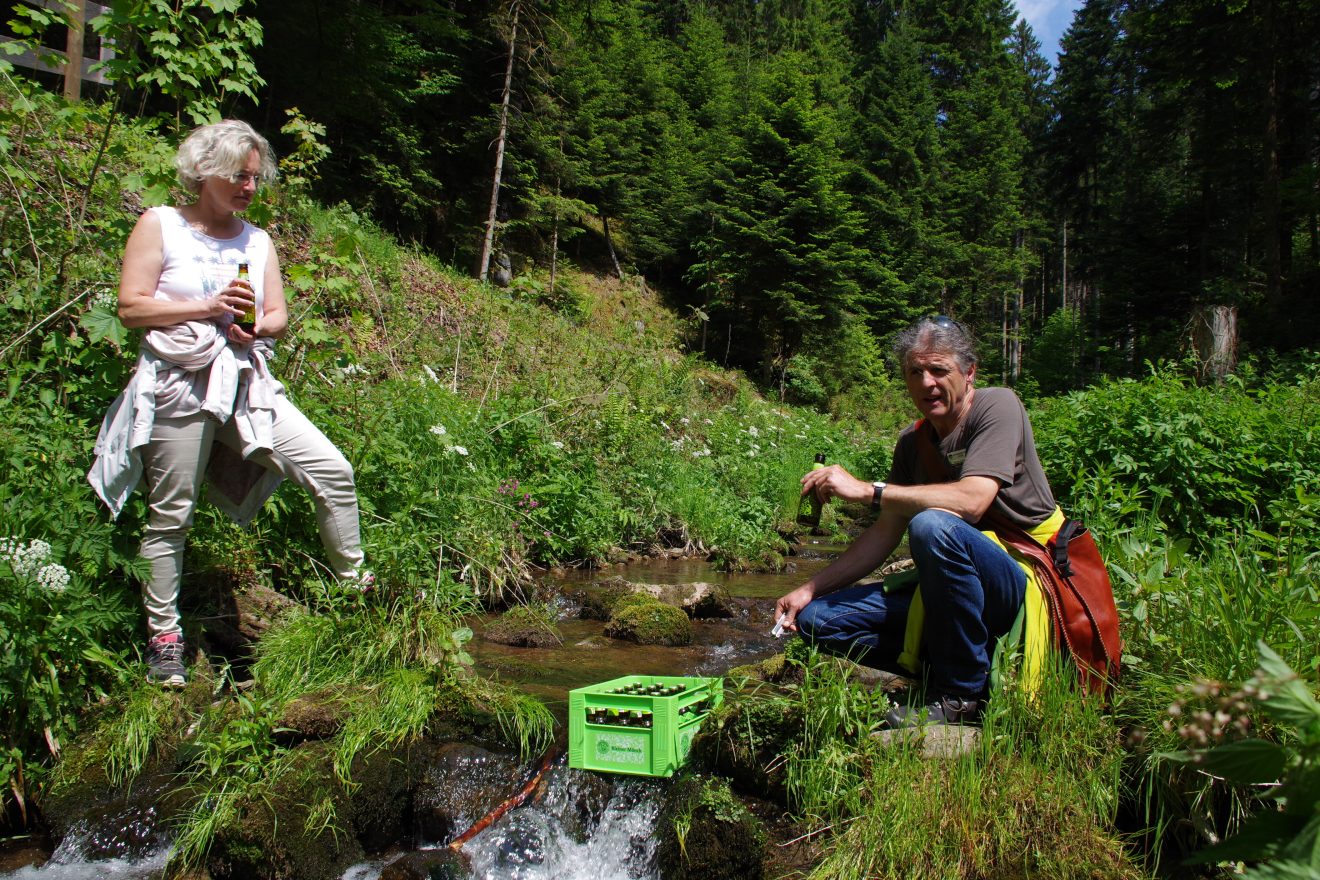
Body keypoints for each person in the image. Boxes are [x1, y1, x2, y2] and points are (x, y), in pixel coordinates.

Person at [88, 120, 371, 687]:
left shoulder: (256, 239)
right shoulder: (160, 225)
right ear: (204, 172)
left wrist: (253, 329)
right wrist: (207, 308)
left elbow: (277, 316)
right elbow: (131, 308)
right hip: (176, 384)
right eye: (238, 176)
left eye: (254, 177)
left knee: (333, 471)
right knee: (172, 515)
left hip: (245, 383)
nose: (249, 186)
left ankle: (357, 602)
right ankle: (165, 640)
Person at [774, 316, 1062, 727]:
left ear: (969, 372)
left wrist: (866, 490)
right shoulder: (912, 443)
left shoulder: (998, 405)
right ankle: (945, 671)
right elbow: (883, 533)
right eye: (915, 372)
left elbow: (973, 501)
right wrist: (807, 589)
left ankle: (962, 696)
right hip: (952, 591)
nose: (927, 383)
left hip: (1018, 576)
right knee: (817, 620)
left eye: (939, 370)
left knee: (932, 526)